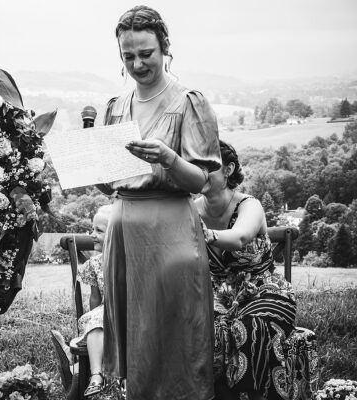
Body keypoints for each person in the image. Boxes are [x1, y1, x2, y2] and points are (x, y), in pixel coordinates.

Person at [97, 6, 222, 399]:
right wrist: (84, 165)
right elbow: (110, 184)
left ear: (165, 47)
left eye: (146, 53)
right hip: (123, 233)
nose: (137, 63)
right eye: (127, 56)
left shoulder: (189, 101)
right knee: (136, 342)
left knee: (175, 340)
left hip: (170, 234)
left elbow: (203, 181)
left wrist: (167, 158)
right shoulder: (115, 106)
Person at [195, 141, 296, 400]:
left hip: (264, 291)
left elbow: (239, 238)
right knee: (197, 329)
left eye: (207, 168)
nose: (198, 173)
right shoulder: (191, 209)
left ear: (228, 169)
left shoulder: (250, 205)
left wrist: (204, 234)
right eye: (194, 167)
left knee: (252, 327)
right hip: (218, 296)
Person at [69, 204, 112, 397]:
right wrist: (94, 318)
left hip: (129, 311)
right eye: (92, 229)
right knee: (95, 323)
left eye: (99, 230)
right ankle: (96, 376)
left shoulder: (132, 259)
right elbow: (95, 297)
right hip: (106, 311)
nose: (92, 234)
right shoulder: (95, 263)